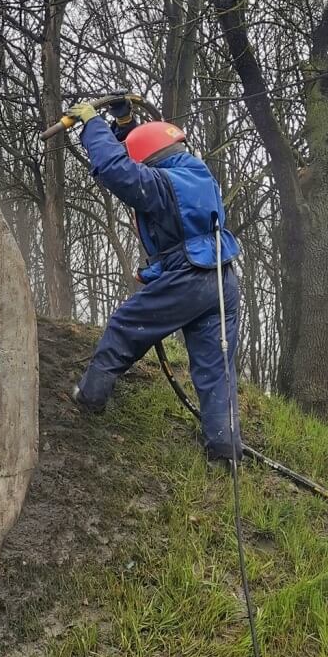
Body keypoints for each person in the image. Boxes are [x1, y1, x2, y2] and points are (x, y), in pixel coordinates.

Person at [65, 101, 243, 462]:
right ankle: (225, 451)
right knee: (215, 370)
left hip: (189, 281)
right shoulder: (196, 174)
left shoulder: (163, 183)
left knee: (125, 327)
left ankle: (90, 396)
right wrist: (125, 123)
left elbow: (118, 170)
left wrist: (91, 124)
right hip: (221, 282)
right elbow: (184, 236)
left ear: (153, 161)